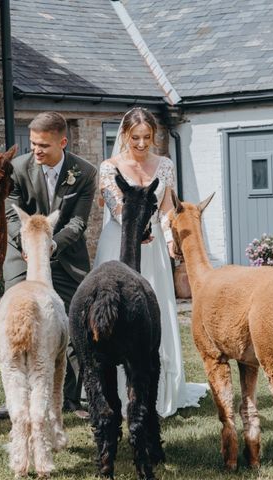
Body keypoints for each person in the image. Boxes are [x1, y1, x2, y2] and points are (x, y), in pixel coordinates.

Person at [94, 107, 208, 418]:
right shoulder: (108, 167)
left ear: (154, 136)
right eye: (136, 138)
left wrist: (171, 240)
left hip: (155, 246)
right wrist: (136, 229)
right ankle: (114, 390)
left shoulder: (165, 166)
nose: (142, 144)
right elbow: (117, 207)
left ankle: (158, 391)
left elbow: (169, 206)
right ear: (125, 136)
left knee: (154, 310)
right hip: (120, 242)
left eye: (147, 137)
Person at [0, 111, 97, 420]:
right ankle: (14, 396)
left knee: (73, 322)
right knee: (18, 321)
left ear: (62, 142)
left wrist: (52, 245)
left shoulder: (85, 173)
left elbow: (78, 222)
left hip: (65, 257)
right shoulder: (16, 170)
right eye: (33, 143)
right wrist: (29, 246)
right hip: (22, 254)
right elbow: (11, 216)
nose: (36, 150)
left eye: (44, 145)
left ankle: (70, 397)